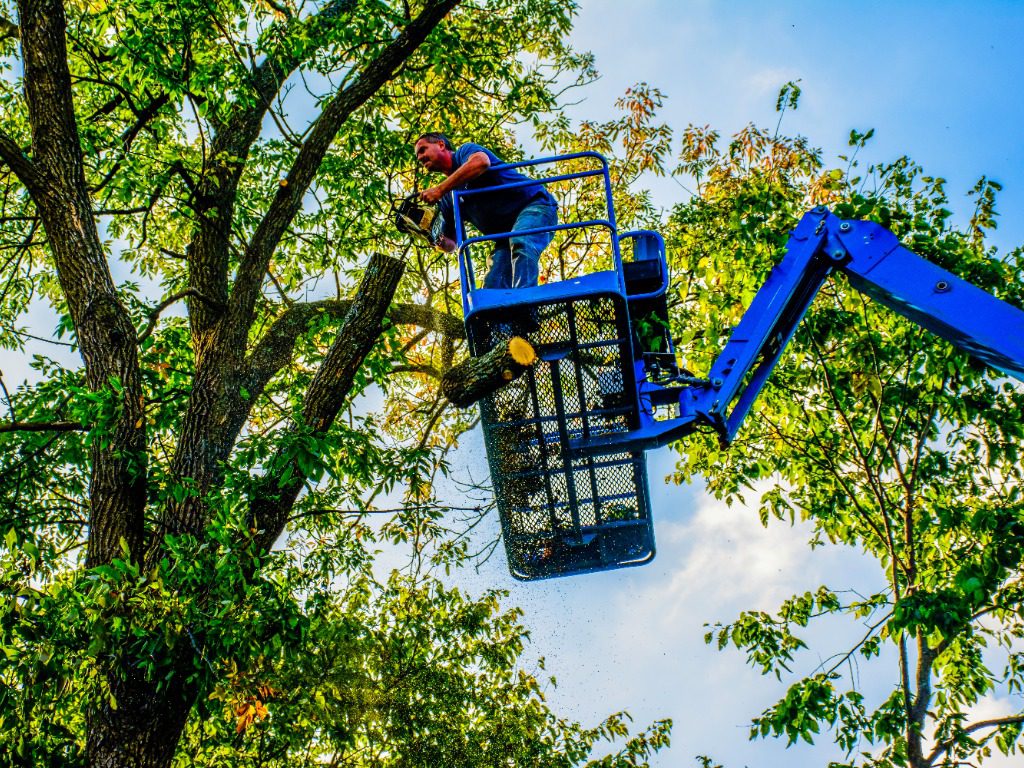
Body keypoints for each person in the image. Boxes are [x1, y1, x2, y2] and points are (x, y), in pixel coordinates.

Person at [414, 133, 558, 289]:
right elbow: (451, 244)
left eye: (423, 150)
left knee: (521, 241)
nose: (420, 157)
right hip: (505, 237)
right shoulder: (448, 198)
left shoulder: (465, 152)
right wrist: (432, 236)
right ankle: (499, 313)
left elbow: (482, 162)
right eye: (417, 155)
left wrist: (439, 189)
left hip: (534, 205)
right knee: (493, 284)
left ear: (441, 145)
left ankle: (527, 306)